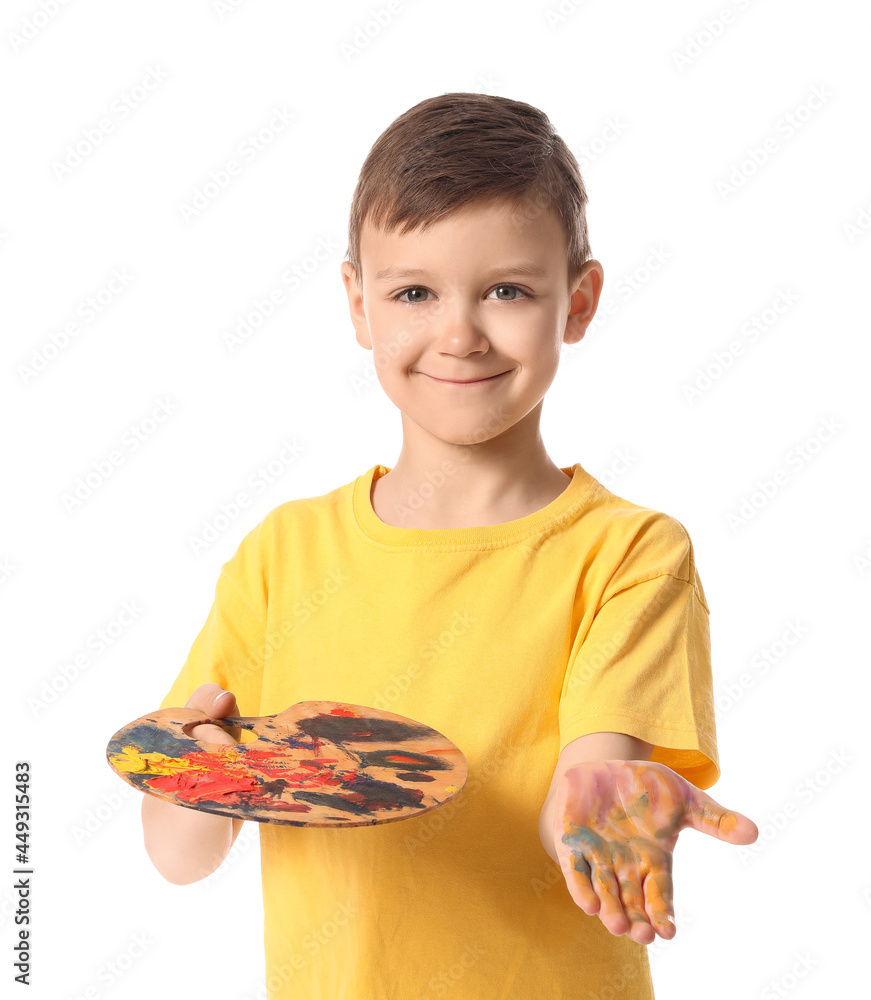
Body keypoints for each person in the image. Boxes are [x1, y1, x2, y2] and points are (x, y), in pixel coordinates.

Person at [141, 91, 758, 999]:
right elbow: (179, 858)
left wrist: (606, 809)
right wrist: (196, 765)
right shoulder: (284, 555)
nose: (460, 332)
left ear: (577, 303)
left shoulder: (629, 555)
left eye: (507, 290)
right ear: (358, 305)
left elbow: (581, 801)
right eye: (414, 292)